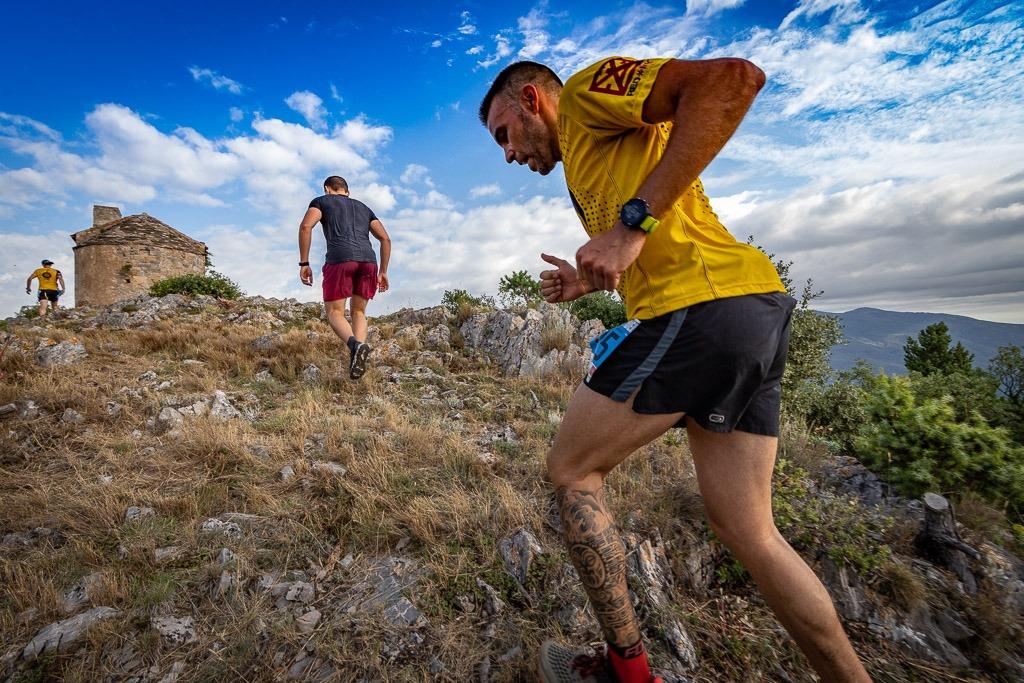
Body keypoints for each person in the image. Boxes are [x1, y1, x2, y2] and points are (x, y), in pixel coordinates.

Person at [479, 57, 872, 683]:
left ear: (531, 99)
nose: (506, 154)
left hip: (701, 308)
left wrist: (631, 226)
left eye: (504, 133)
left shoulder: (581, 96)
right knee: (749, 531)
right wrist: (589, 276)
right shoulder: (587, 158)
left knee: (572, 470)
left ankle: (628, 674)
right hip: (753, 310)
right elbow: (658, 236)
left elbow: (732, 80)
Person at [298, 175, 391, 380]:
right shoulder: (364, 208)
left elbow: (306, 227)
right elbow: (385, 238)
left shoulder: (321, 201)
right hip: (369, 261)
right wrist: (383, 271)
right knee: (359, 312)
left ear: (327, 189)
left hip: (340, 259)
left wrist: (304, 263)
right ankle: (358, 356)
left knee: (334, 312)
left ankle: (355, 345)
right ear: (347, 191)